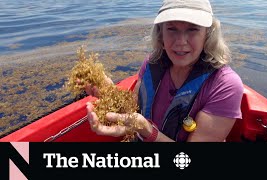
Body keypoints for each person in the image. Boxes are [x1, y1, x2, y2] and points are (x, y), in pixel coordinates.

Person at [85, 0, 244, 142]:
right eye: (172, 29)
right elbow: (133, 109)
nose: (181, 42)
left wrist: (147, 131)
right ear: (161, 33)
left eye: (192, 29)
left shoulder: (225, 84)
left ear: (208, 35)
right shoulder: (152, 63)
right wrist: (108, 92)